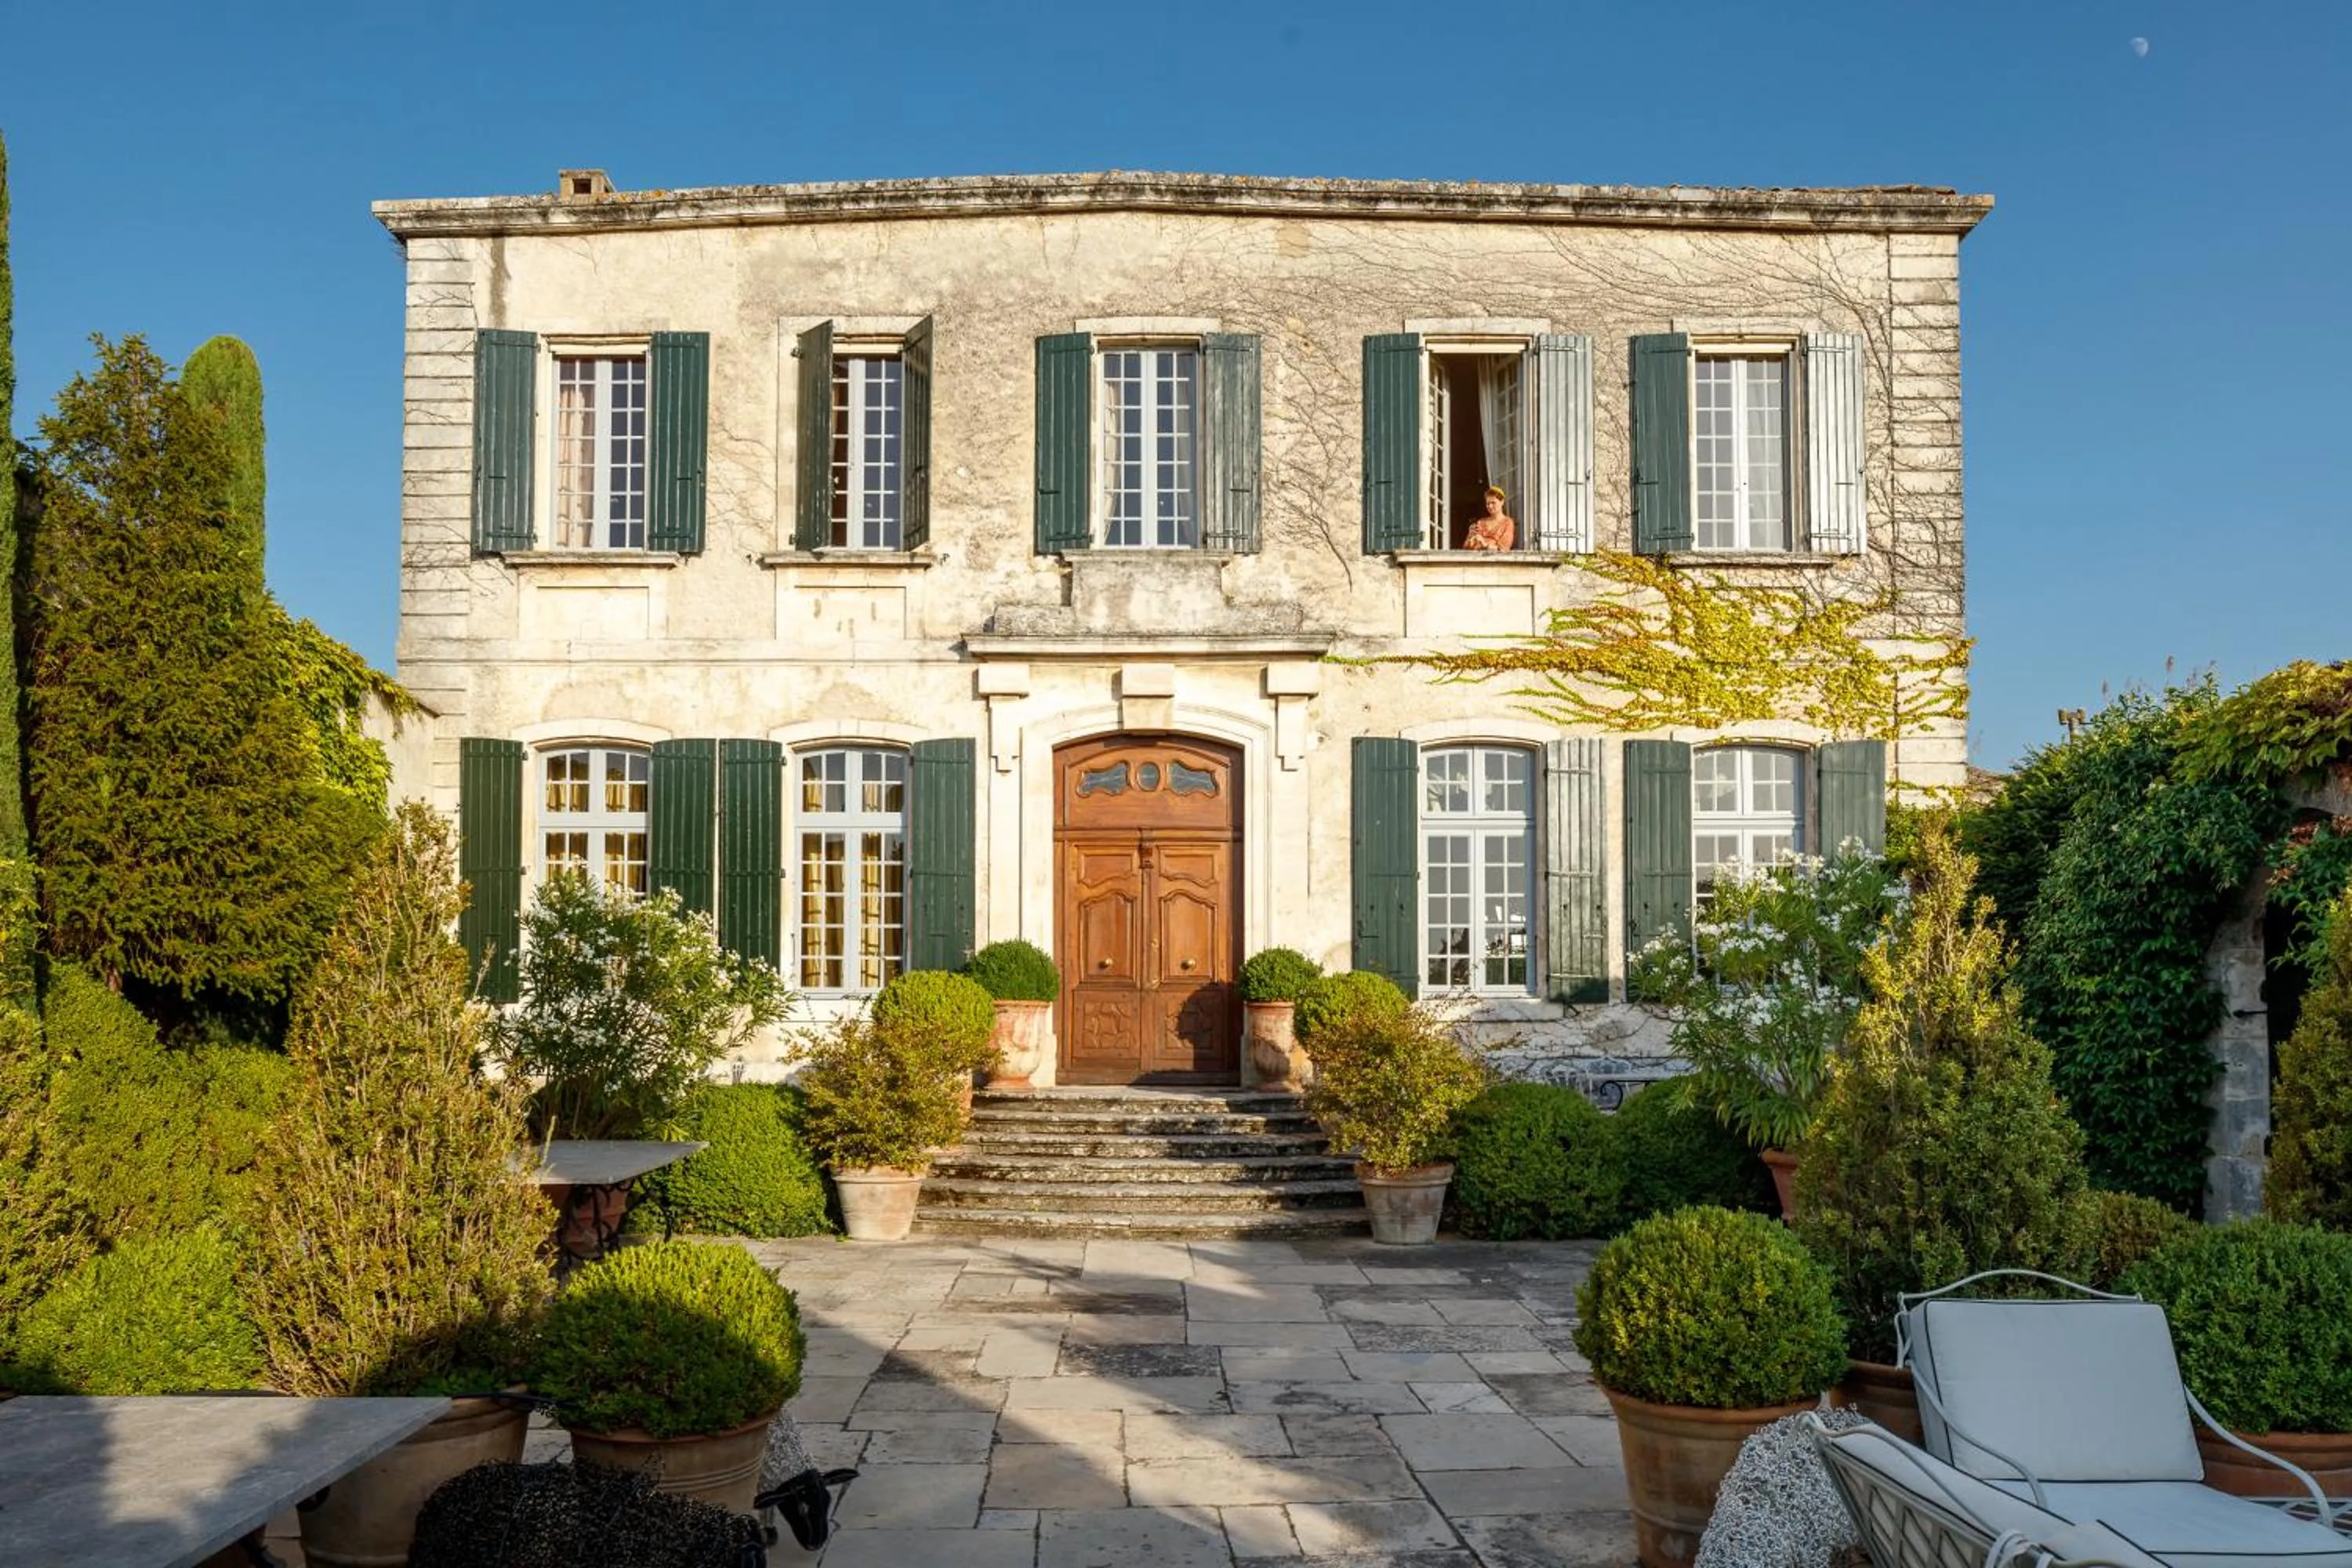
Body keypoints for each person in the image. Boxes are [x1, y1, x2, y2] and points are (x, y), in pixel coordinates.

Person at [1463, 485, 1517, 551]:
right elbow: (1466, 548)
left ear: (1502, 502)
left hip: (1496, 561)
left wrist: (1485, 544)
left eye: (1493, 503)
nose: (1490, 506)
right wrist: (1471, 538)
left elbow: (1504, 548)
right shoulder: (1481, 522)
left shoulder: (1507, 523)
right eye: (1488, 504)